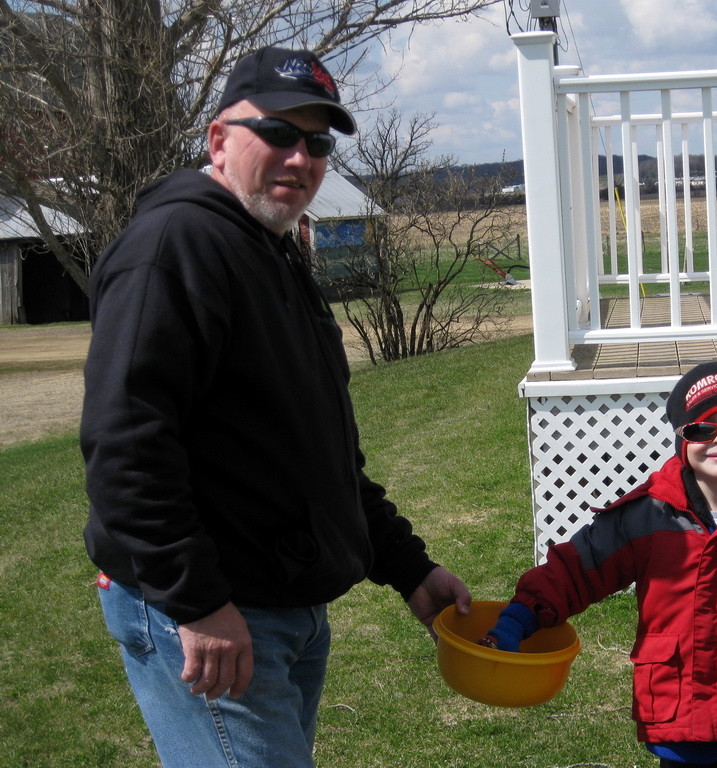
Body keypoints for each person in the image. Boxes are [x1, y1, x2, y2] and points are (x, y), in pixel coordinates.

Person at [80, 46, 471, 768]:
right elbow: (126, 443)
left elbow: (316, 451)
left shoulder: (272, 249)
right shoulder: (175, 248)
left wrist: (409, 567)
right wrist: (196, 603)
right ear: (219, 139)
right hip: (214, 612)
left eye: (319, 142)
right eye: (280, 133)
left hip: (278, 605)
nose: (301, 156)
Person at [482, 361, 717, 768]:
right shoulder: (646, 517)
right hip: (679, 714)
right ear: (683, 439)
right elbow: (576, 571)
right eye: (702, 428)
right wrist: (518, 620)